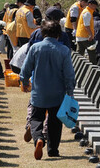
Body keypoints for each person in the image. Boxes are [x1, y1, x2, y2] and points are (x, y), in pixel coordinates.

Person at [20, 19, 76, 160]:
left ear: (42, 33)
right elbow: (69, 73)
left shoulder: (35, 48)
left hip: (39, 92)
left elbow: (26, 69)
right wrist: (70, 90)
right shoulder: (63, 50)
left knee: (36, 117)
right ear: (58, 34)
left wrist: (25, 81)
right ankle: (53, 150)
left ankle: (39, 138)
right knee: (55, 122)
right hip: (57, 92)